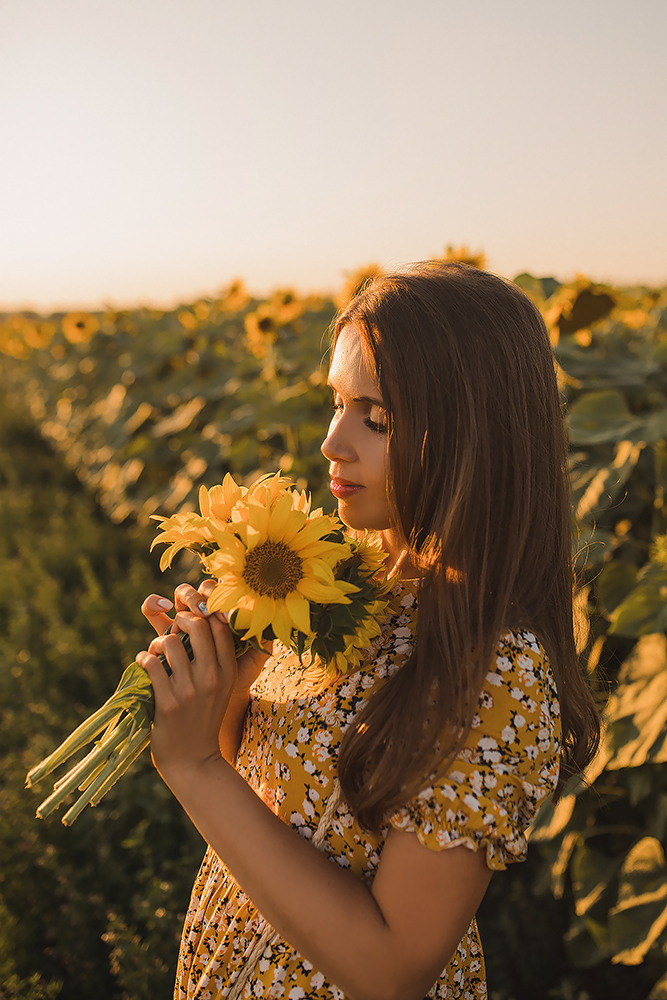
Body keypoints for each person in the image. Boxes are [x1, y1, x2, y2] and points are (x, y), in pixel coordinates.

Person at [136, 261, 600, 1000]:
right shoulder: (341, 571)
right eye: (336, 402)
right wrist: (214, 682)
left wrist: (192, 769)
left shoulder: (496, 670)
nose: (331, 442)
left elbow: (391, 968)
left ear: (474, 433)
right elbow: (263, 782)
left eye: (375, 418)